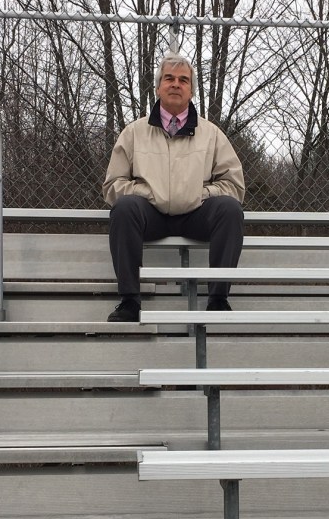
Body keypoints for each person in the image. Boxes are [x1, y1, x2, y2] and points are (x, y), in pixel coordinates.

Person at [102, 53, 245, 323]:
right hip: (150, 215)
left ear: (191, 90)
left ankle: (218, 301)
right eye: (169, 78)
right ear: (158, 87)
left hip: (196, 215)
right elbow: (112, 185)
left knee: (229, 209)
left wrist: (201, 195)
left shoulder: (211, 134)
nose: (175, 84)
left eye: (183, 80)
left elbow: (233, 185)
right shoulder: (134, 133)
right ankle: (130, 301)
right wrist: (148, 193)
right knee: (124, 208)